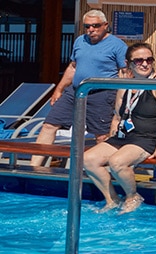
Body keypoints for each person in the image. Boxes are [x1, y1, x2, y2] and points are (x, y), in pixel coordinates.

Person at [82, 43, 156, 214]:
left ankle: (132, 196)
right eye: (139, 60)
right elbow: (118, 116)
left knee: (117, 162)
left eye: (149, 59)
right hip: (125, 136)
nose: (145, 64)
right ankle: (112, 200)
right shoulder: (125, 84)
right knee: (88, 159)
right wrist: (110, 139)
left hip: (150, 137)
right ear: (129, 63)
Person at [32, 10, 128, 167]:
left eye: (95, 26)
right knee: (49, 125)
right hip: (75, 91)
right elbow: (73, 67)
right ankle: (33, 167)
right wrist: (59, 89)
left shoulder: (117, 46)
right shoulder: (80, 41)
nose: (91, 30)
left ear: (105, 25)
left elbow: (125, 72)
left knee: (101, 135)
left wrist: (123, 97)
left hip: (101, 94)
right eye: (87, 26)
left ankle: (97, 171)